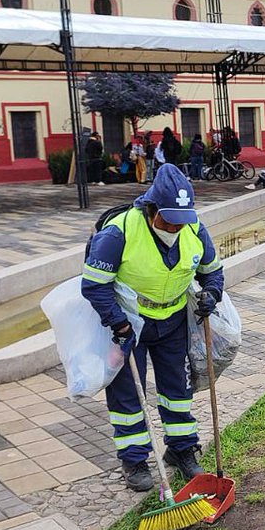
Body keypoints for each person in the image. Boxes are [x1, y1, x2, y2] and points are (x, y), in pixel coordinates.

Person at [81, 164, 225, 491]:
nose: (175, 226)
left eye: (181, 219)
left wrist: (211, 294)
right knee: (128, 393)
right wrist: (118, 322)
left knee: (177, 389)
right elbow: (93, 285)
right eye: (169, 219)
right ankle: (133, 459)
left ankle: (181, 449)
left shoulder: (194, 229)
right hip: (129, 324)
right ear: (151, 209)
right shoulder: (119, 232)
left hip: (172, 321)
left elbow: (213, 272)